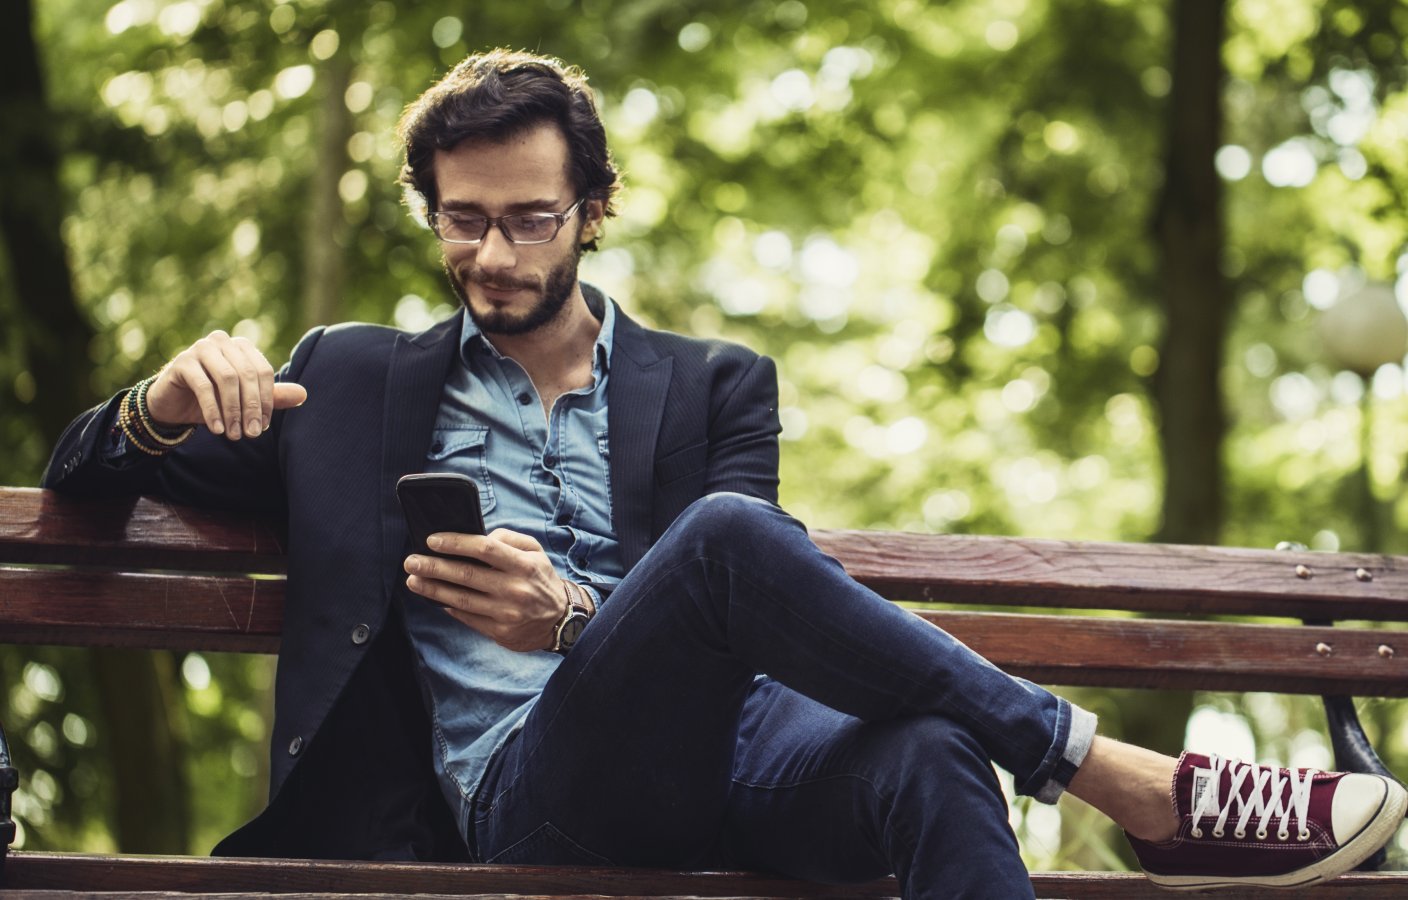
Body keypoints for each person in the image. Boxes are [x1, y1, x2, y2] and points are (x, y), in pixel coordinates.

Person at [44, 48, 1405, 897]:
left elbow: (750, 616)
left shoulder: (713, 385)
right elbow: (80, 486)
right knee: (729, 537)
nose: (496, 257)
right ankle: (1122, 779)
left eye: (530, 219)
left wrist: (570, 614)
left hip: (738, 766)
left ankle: (1075, 769)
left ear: (595, 210)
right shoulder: (346, 382)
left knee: (924, 744)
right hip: (527, 805)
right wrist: (153, 409)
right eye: (463, 223)